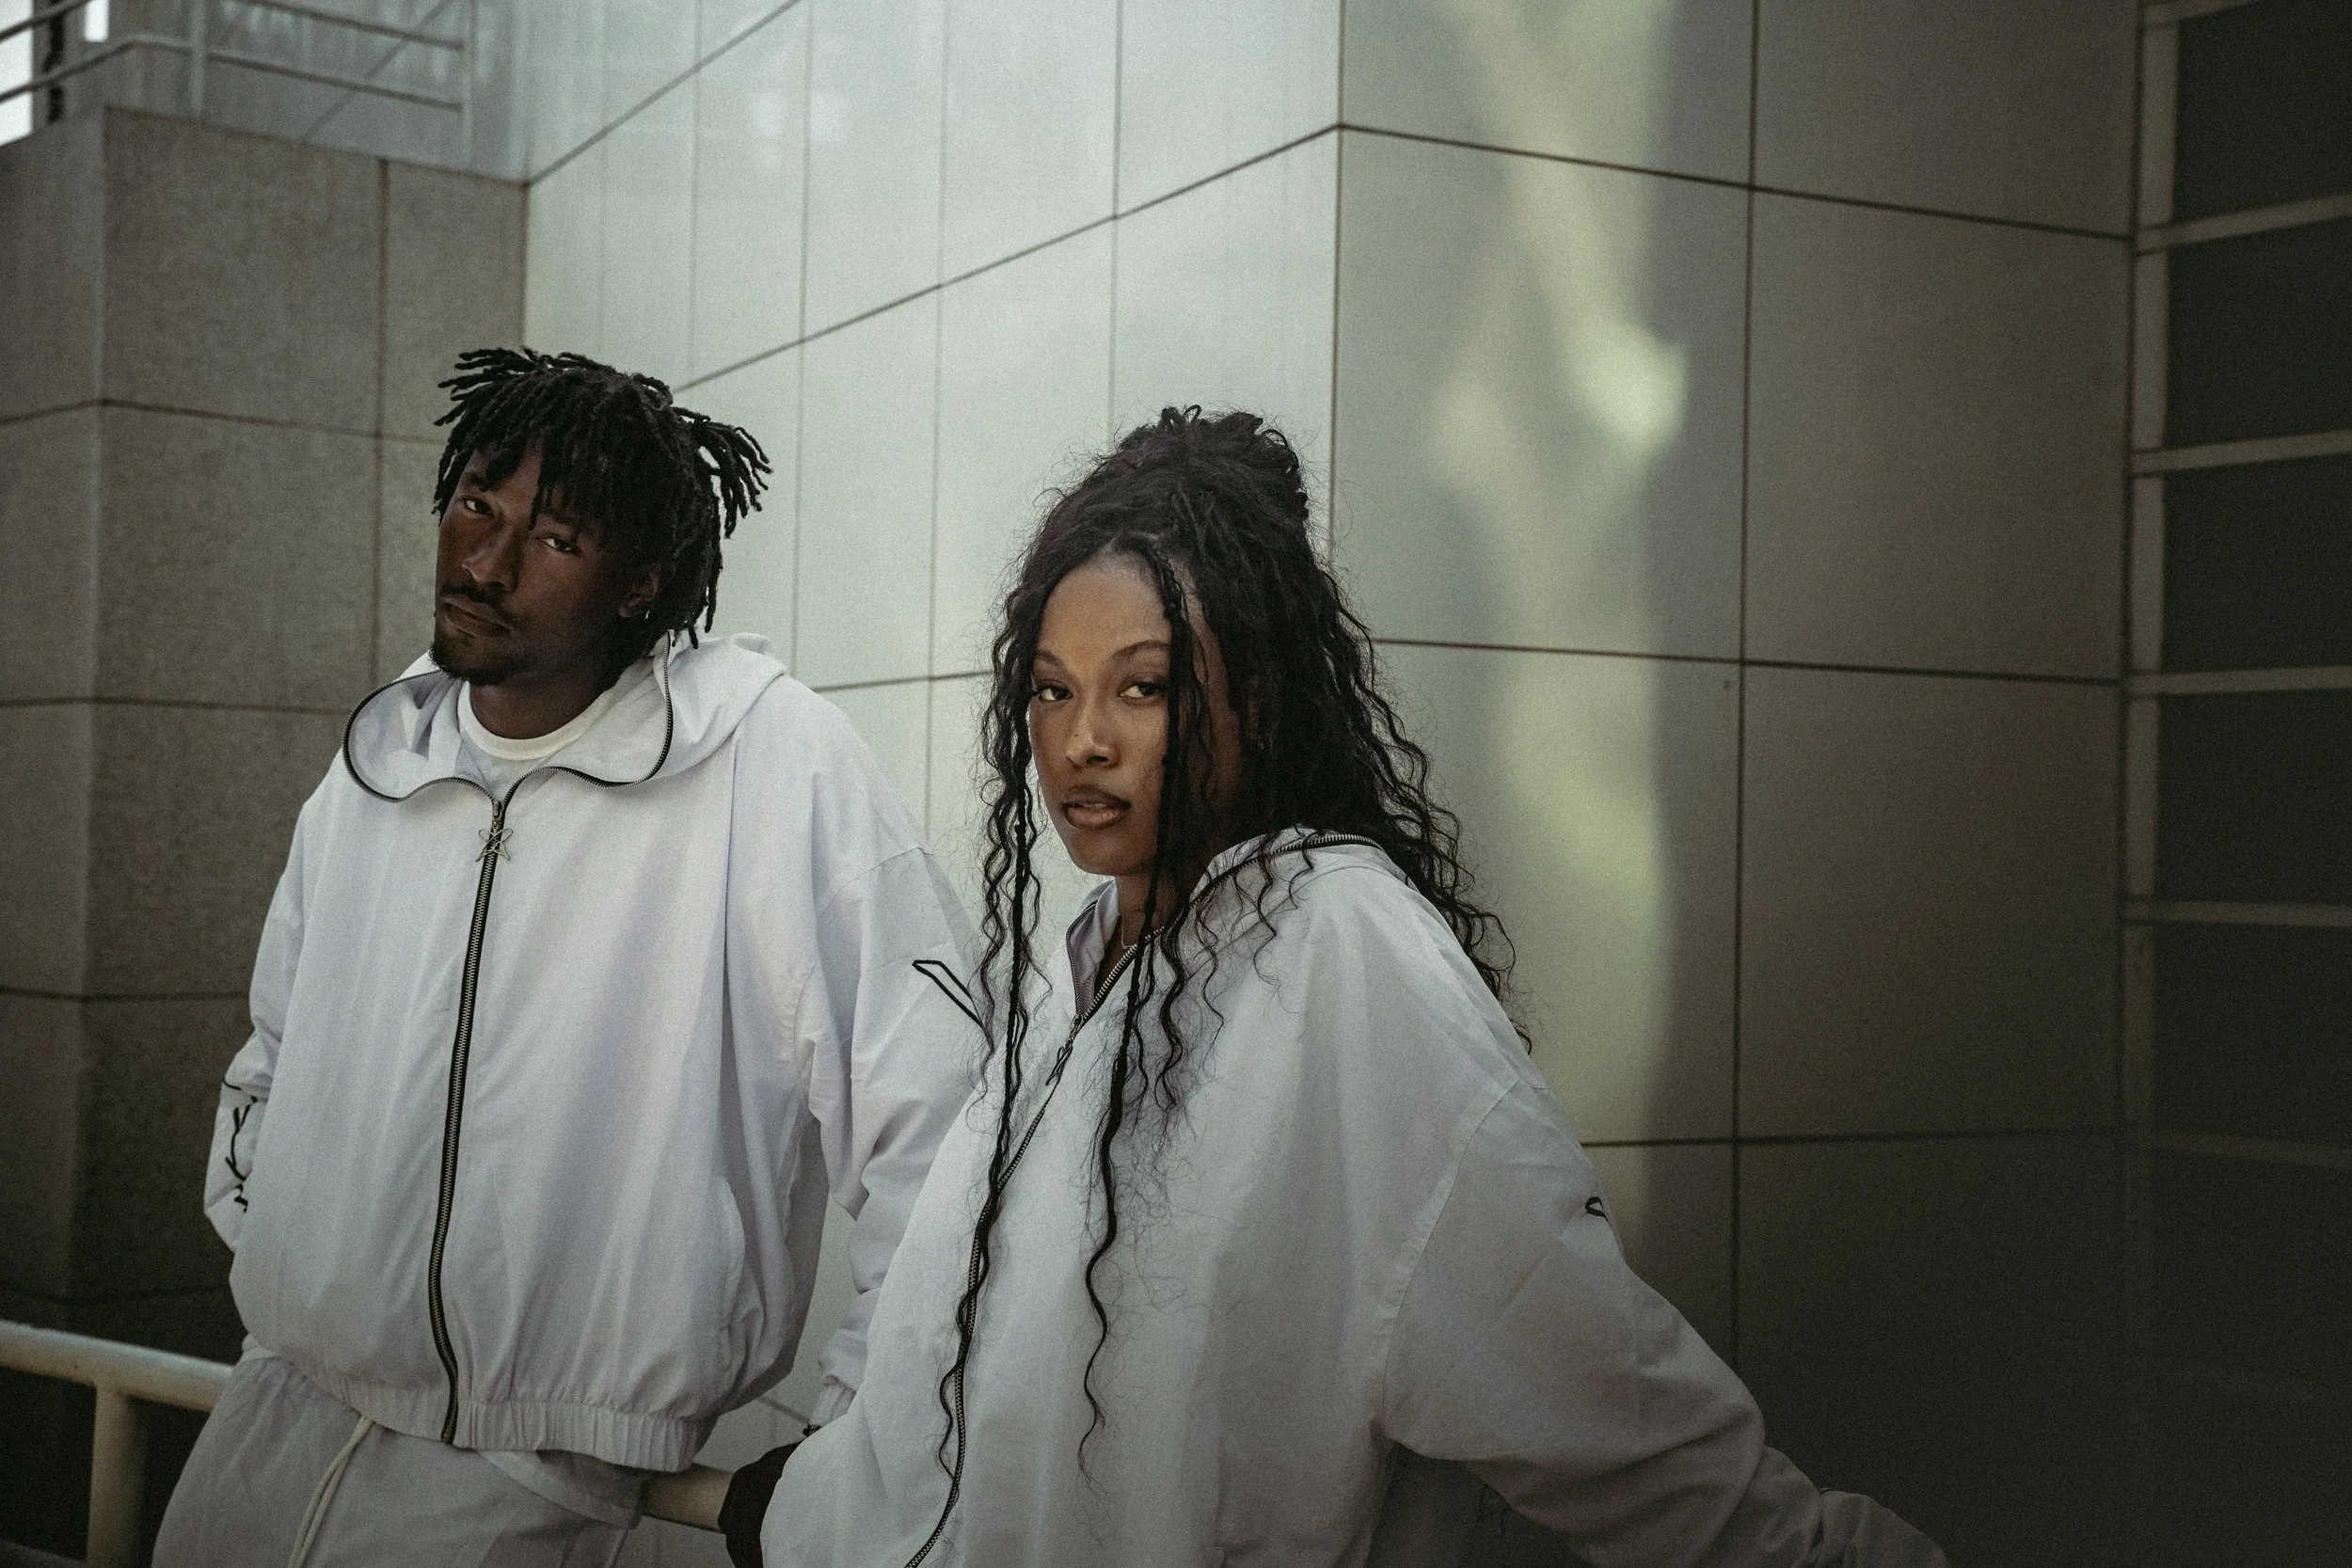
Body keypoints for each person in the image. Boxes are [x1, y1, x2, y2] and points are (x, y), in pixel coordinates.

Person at [735, 408, 1947, 1567]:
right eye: (1053, 688)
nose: (1081, 740)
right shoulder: (1094, 961)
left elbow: (1593, 1385)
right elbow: (980, 1392)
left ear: (1255, 702)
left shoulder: (1344, 958)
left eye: (1143, 686)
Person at [156, 348, 980, 1566]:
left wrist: (860, 1441)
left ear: (641, 582)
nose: (485, 563)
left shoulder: (768, 762)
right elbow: (274, 1047)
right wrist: (291, 1260)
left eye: (555, 538)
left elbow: (940, 1126)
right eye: (476, 503)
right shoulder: (383, 760)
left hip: (528, 1484)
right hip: (271, 1418)